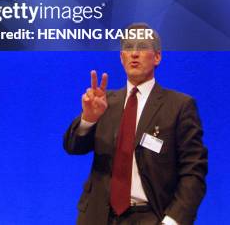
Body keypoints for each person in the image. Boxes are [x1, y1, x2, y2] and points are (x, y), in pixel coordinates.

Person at [63, 23, 208, 224]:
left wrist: (173, 220)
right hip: (97, 216)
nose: (134, 53)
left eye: (142, 46)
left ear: (157, 57)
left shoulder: (179, 106)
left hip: (151, 216)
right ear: (121, 58)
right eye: (129, 47)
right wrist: (89, 119)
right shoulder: (104, 102)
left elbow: (193, 172)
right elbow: (73, 147)